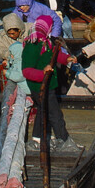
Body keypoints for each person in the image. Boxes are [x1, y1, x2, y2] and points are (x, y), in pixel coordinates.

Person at [21, 15, 80, 153]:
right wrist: (43, 73)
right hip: (40, 87)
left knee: (43, 110)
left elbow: (55, 55)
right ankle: (64, 140)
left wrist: (68, 59)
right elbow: (27, 71)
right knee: (55, 114)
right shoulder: (33, 45)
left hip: (49, 85)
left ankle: (37, 139)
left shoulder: (46, 42)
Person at [0, 15, 30, 188]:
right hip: (14, 69)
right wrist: (11, 55)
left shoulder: (28, 32)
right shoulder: (3, 39)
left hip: (22, 73)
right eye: (10, 32)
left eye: (15, 31)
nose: (13, 34)